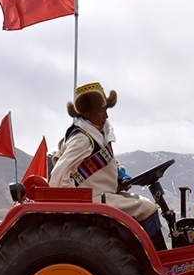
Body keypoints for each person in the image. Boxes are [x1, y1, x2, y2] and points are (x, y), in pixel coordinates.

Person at [49, 82, 168, 251]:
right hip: (92, 199)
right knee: (147, 208)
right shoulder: (82, 140)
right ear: (88, 113)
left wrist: (120, 175)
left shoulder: (96, 132)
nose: (106, 115)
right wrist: (77, 202)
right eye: (101, 110)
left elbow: (107, 161)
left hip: (103, 193)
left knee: (143, 203)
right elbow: (58, 176)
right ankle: (158, 256)